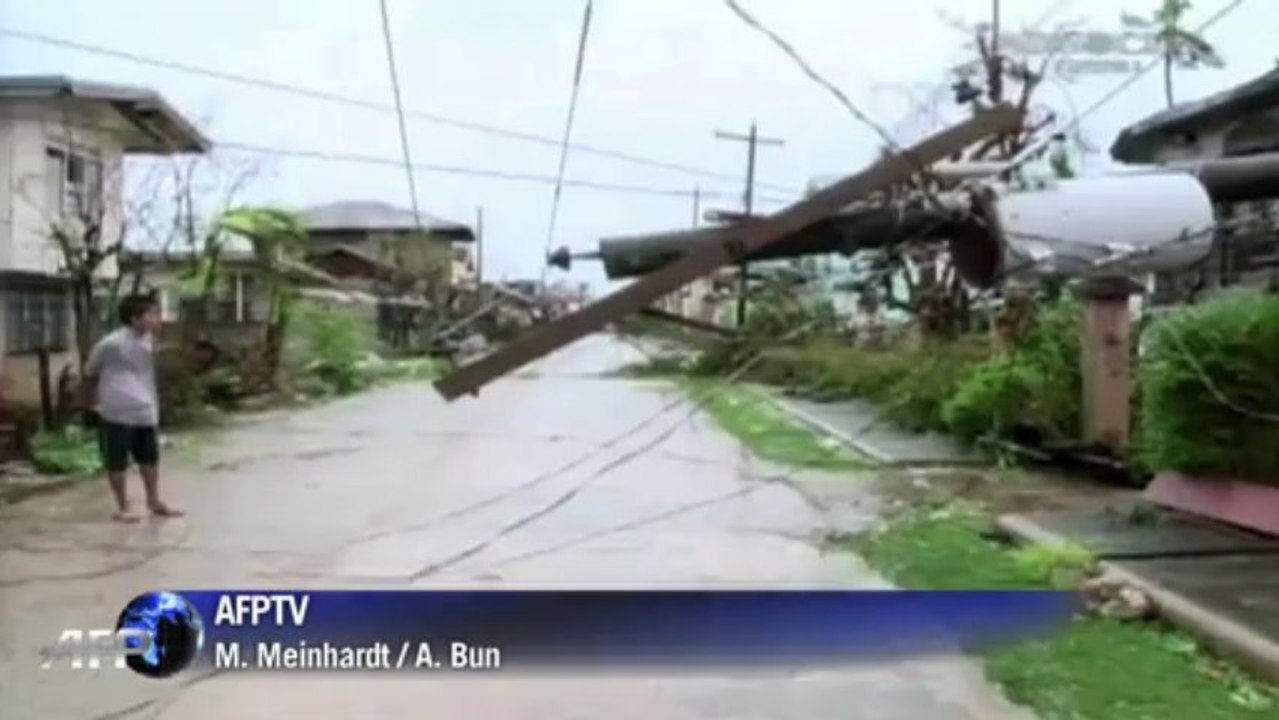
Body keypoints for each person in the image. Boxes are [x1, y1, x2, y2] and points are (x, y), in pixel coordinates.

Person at [82, 293, 183, 522]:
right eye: (151, 314)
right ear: (134, 318)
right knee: (116, 460)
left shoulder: (150, 342)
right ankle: (122, 506)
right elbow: (90, 373)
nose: (157, 319)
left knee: (149, 458)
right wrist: (90, 404)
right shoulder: (110, 344)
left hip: (145, 409)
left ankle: (154, 501)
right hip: (117, 410)